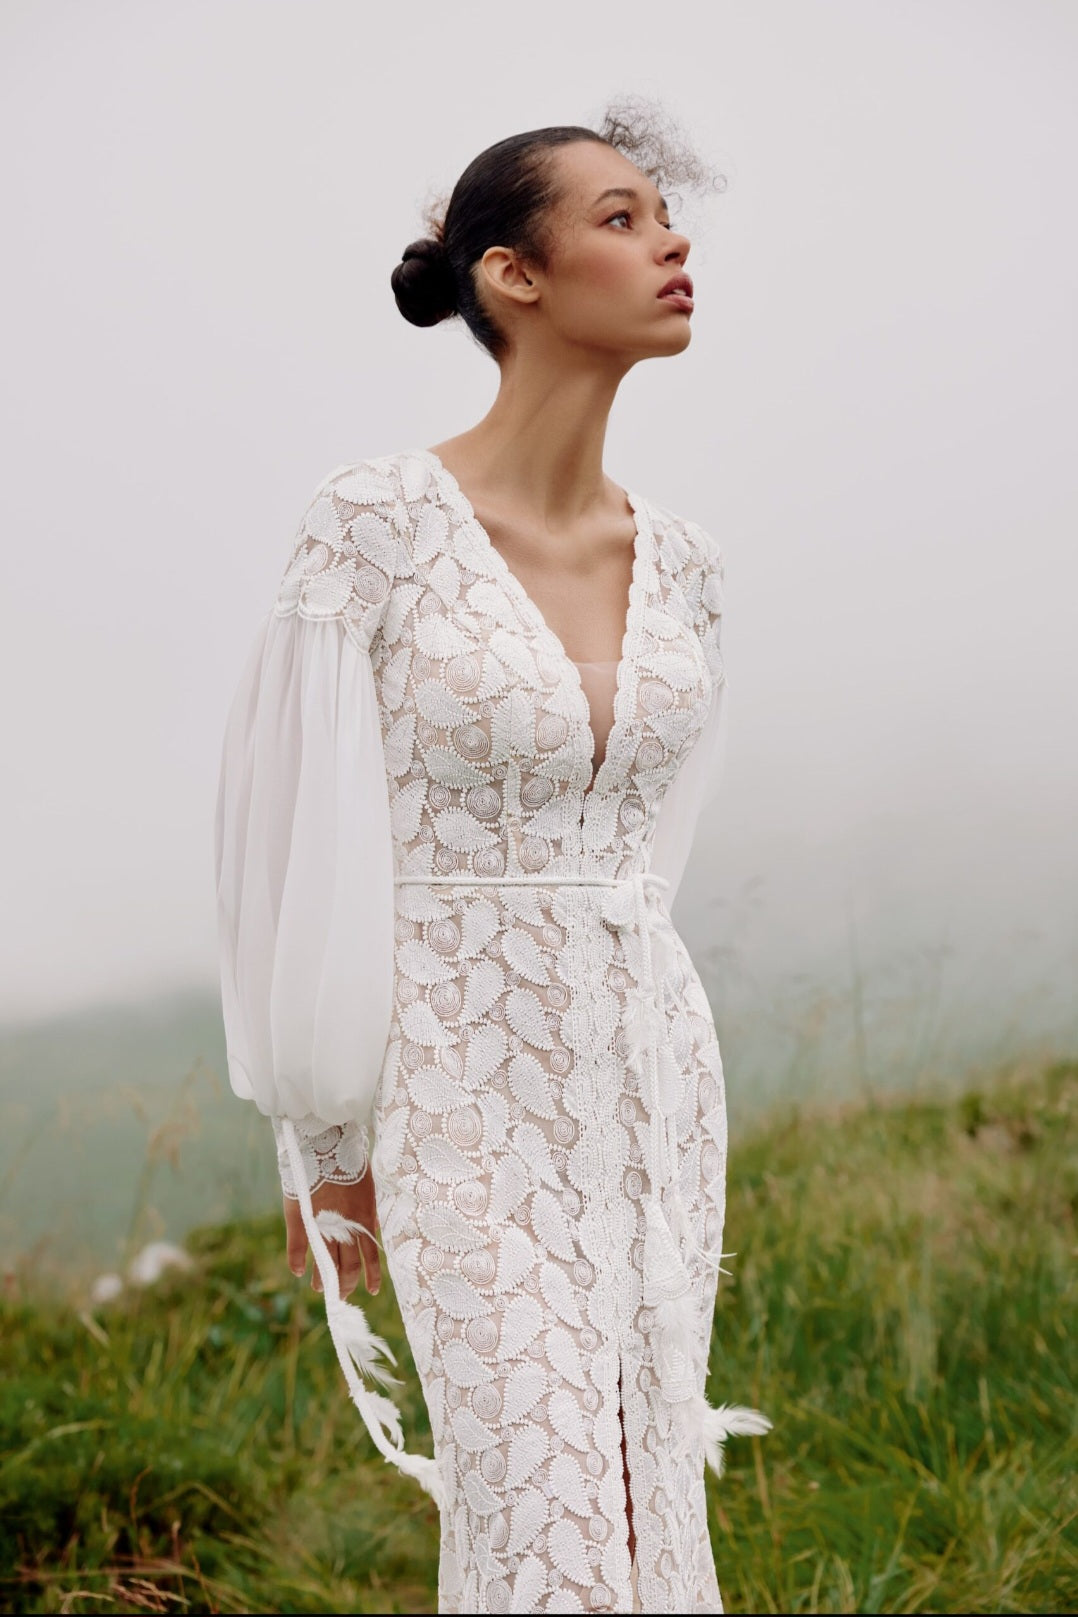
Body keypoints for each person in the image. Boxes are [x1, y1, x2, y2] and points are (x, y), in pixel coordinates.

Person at [214, 107, 770, 1616]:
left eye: (665, 212)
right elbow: (294, 834)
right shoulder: (375, 525)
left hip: (646, 1079)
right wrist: (325, 1144)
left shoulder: (688, 560)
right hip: (453, 1079)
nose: (671, 241)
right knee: (535, 1505)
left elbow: (653, 847)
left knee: (643, 1470)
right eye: (621, 216)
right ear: (511, 275)